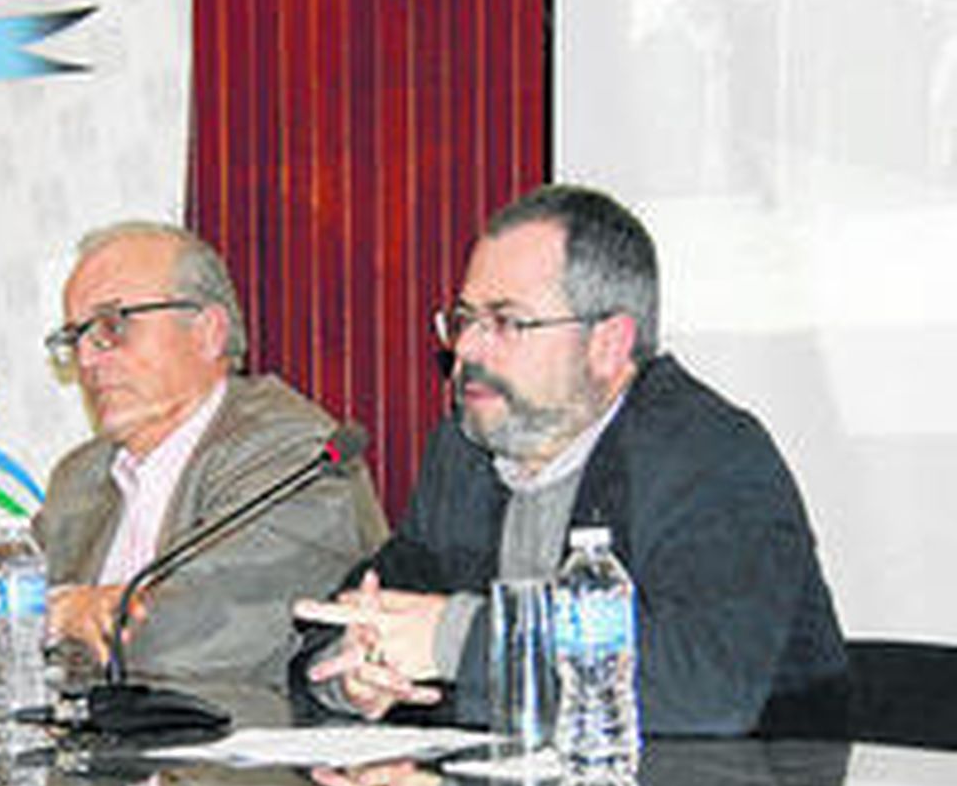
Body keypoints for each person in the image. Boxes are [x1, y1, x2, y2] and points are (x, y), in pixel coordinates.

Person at [292, 184, 848, 736]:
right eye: (464, 319)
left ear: (607, 344)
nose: (465, 350)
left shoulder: (709, 455)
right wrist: (353, 669)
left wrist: (457, 640)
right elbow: (357, 607)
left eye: (507, 322)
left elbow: (705, 687)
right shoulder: (463, 452)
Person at [34, 221, 387, 697]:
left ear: (207, 332)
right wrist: (68, 610)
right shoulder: (82, 475)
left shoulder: (294, 453)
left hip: (253, 765)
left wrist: (46, 618)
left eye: (112, 326)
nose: (88, 359)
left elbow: (184, 638)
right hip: (108, 761)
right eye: (75, 337)